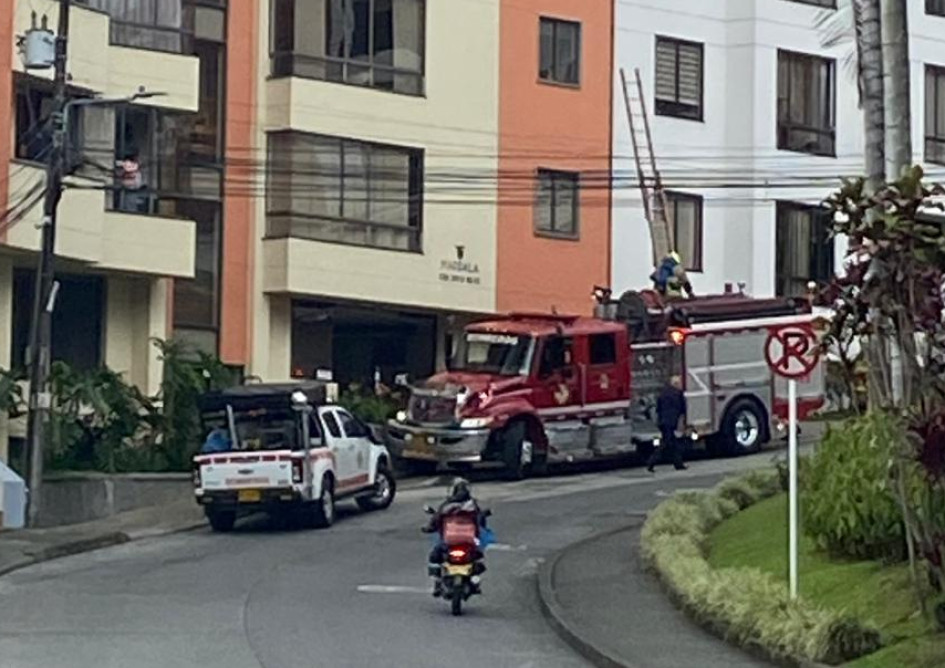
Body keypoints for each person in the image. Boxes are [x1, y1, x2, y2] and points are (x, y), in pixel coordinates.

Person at [423, 478, 489, 596]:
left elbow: (435, 521)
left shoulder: (447, 506)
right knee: (479, 555)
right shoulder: (472, 506)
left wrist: (429, 528)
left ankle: (438, 582)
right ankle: (474, 581)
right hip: (469, 542)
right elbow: (481, 521)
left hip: (449, 542)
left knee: (434, 556)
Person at [647, 375, 688, 473]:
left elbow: (658, 408)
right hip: (671, 422)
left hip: (662, 422)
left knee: (673, 444)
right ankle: (651, 462)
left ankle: (678, 464)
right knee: (666, 444)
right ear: (677, 384)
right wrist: (682, 423)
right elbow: (683, 409)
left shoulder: (663, 394)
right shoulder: (678, 394)